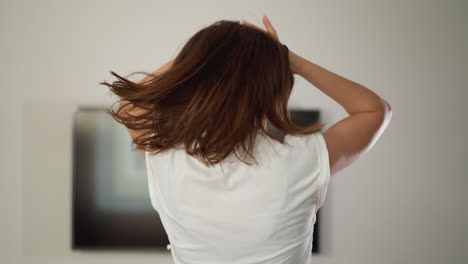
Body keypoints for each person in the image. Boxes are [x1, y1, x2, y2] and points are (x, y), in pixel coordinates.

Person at [101, 15, 392, 264]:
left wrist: (203, 55)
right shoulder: (303, 159)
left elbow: (131, 106)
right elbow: (373, 110)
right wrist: (289, 58)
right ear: (275, 89)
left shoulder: (166, 158)